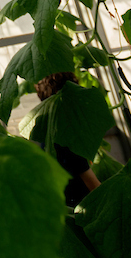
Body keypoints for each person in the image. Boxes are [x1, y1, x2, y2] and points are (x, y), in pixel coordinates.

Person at [32, 72, 102, 207]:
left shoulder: (50, 130)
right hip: (81, 209)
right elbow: (94, 186)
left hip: (64, 208)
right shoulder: (66, 137)